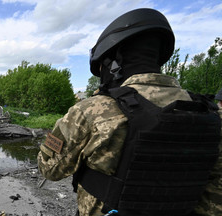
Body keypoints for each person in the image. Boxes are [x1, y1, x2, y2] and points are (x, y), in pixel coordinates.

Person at [37, 8, 222, 216]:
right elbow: (215, 197)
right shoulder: (212, 114)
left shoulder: (92, 110)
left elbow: (49, 168)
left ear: (113, 62)